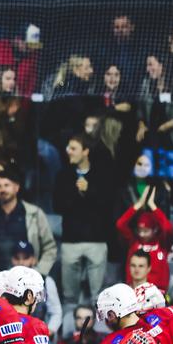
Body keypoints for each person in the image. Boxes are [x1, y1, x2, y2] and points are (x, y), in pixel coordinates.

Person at [55, 133, 115, 311]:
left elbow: (108, 205)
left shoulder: (101, 175)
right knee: (69, 296)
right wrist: (76, 192)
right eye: (68, 148)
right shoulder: (63, 175)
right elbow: (57, 205)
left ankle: (98, 332)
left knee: (99, 295)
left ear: (86, 151)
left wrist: (90, 190)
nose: (69, 152)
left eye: (73, 148)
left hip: (96, 240)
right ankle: (68, 335)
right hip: (70, 240)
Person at [0, 171, 57, 275]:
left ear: (16, 188)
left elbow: (50, 247)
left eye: (6, 185)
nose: (2, 189)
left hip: (25, 281)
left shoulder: (34, 214)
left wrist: (39, 273)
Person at [116, 186, 173, 291]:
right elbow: (120, 225)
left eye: (146, 231)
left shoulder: (162, 242)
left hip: (157, 293)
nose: (142, 234)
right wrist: (138, 205)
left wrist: (153, 207)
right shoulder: (134, 240)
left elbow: (168, 228)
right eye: (140, 230)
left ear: (154, 230)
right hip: (134, 291)